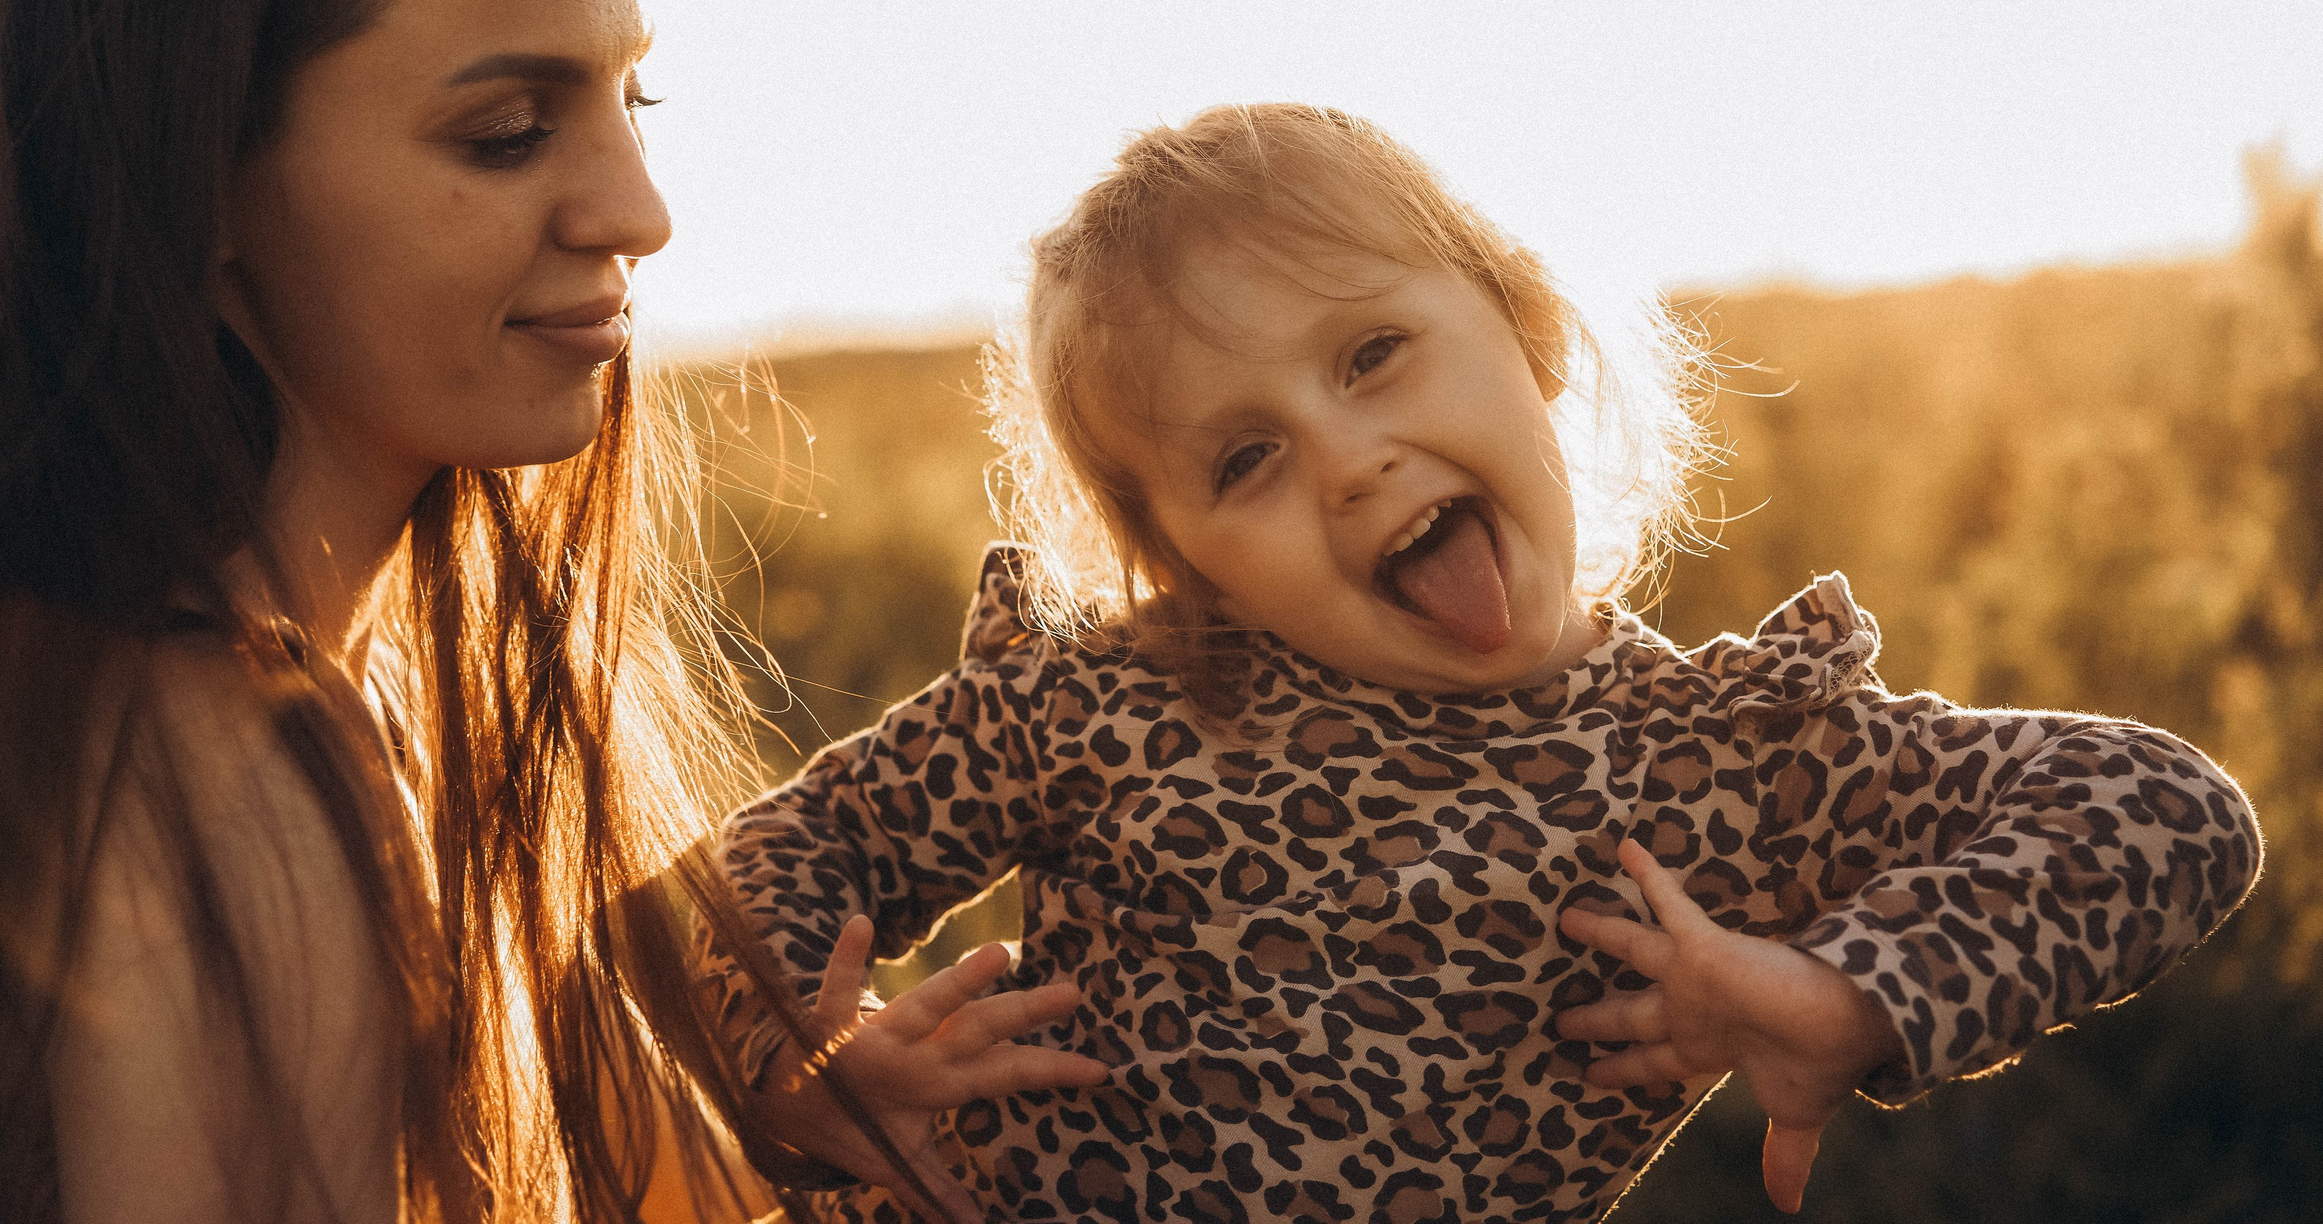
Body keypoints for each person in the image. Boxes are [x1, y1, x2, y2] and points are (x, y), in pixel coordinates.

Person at [0, 0, 1086, 1224]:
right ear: (193, 190)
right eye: (509, 130)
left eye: (628, 99)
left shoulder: (367, 701)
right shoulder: (229, 781)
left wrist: (773, 1135)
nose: (638, 211)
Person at [708, 103, 2265, 1223]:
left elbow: (2164, 813)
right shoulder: (1115, 703)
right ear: (1180, 555)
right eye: (1246, 458)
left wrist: (1842, 995)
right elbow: (784, 854)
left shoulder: (1722, 765)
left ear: (1525, 332)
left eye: (1373, 355)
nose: (1349, 461)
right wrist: (804, 1079)